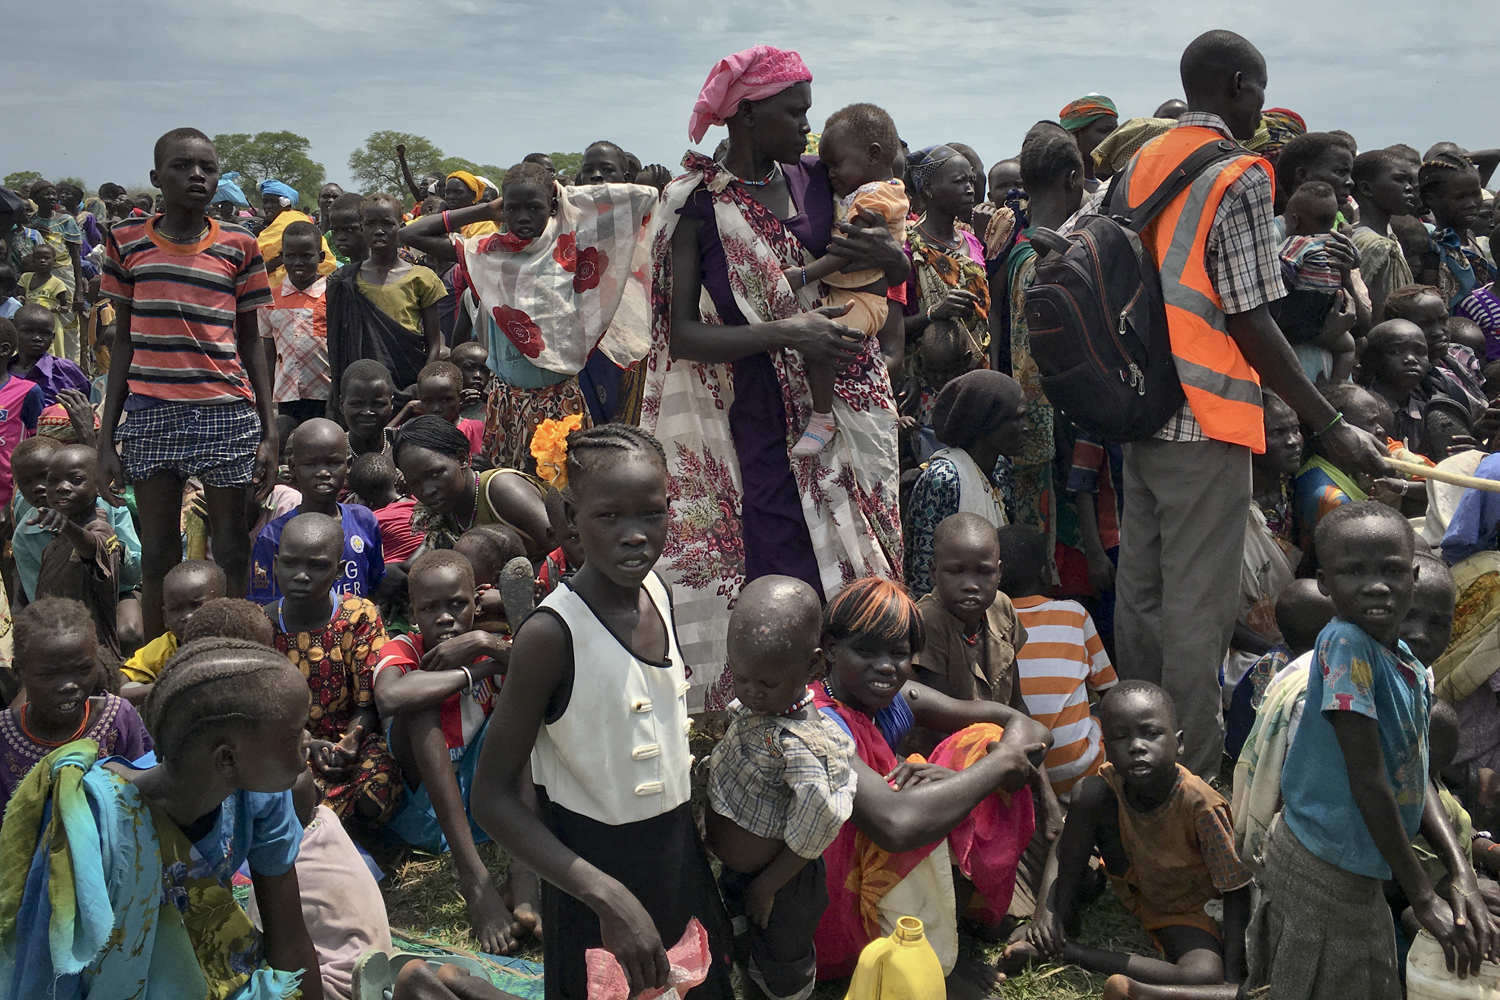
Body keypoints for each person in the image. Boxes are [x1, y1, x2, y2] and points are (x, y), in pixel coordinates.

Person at [1110, 30, 1386, 777]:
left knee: (1141, 601)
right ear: (1237, 85)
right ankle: (1189, 783)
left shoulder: (1138, 161)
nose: (1261, 106)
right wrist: (1328, 423)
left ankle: (1132, 774)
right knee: (1197, 615)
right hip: (1204, 414)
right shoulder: (1239, 173)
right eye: (1259, 90)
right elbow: (1250, 315)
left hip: (1136, 411)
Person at [647, 45, 908, 711]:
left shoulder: (818, 179)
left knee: (861, 569)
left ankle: (860, 720)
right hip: (756, 416)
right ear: (745, 114)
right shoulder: (695, 206)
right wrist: (788, 333)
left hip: (848, 399)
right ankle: (780, 713)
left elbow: (886, 270)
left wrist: (892, 261)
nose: (806, 128)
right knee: (778, 561)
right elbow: (679, 333)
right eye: (794, 113)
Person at [468, 424, 733, 998]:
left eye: (652, 515)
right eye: (609, 517)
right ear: (568, 517)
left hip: (674, 858)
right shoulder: (552, 635)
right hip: (594, 880)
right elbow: (489, 797)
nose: (635, 536)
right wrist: (605, 896)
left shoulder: (656, 592)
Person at [1245, 502, 1498, 997]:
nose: (1376, 584)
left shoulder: (1404, 659)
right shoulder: (1345, 646)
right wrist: (1424, 896)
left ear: (1415, 573)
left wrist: (1461, 868)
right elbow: (1368, 778)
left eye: (1391, 570)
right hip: (1324, 864)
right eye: (1353, 571)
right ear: (1324, 583)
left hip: (1362, 861)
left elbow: (1414, 769)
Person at [0, 636, 325, 999]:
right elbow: (52, 975)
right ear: (227, 759)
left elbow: (290, 942)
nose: (304, 753)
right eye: (294, 736)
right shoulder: (93, 824)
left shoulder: (262, 798)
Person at [808, 577, 1051, 991]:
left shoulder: (900, 697)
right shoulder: (818, 719)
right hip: (828, 890)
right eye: (865, 651)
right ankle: (922, 951)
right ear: (831, 648)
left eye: (899, 654)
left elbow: (1025, 725)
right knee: (924, 796)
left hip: (883, 844)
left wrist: (966, 774)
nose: (886, 666)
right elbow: (895, 826)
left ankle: (952, 919)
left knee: (977, 743)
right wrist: (996, 769)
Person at [97, 128, 280, 639]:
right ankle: (160, 659)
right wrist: (106, 438)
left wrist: (270, 431)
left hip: (225, 409)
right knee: (157, 553)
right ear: (157, 177)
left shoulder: (240, 245)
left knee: (231, 548)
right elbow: (124, 346)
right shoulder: (126, 241)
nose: (197, 175)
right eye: (182, 166)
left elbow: (253, 345)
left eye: (208, 168)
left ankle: (231, 646)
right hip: (151, 409)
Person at [401, 161, 656, 467]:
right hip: (507, 403)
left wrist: (567, 197)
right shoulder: (486, 254)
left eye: (534, 207)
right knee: (509, 495)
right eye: (513, 208)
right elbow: (410, 233)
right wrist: (484, 210)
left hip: (558, 400)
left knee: (561, 491)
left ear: (551, 206)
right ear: (502, 208)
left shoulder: (570, 250)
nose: (523, 217)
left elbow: (644, 197)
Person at [1010, 681, 1252, 993]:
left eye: (1151, 733)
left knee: (1203, 974)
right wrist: (1046, 912)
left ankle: (1075, 954)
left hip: (1183, 906)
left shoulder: (1202, 806)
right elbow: (1065, 841)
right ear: (1107, 748)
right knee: (1088, 792)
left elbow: (1235, 889)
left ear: (1178, 743)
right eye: (1121, 737)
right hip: (1133, 881)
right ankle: (1062, 924)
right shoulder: (1109, 780)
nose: (1136, 746)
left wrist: (1234, 974)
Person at [373, 547, 536, 955]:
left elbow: (544, 665)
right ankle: (473, 877)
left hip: (489, 801)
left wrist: (485, 643)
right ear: (413, 613)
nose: (445, 617)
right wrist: (474, 670)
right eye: (430, 608)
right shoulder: (405, 647)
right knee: (420, 702)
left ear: (476, 603)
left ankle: (524, 870)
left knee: (525, 699)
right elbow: (390, 695)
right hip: (428, 809)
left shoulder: (489, 637)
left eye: (457, 605)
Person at [705, 575, 857, 1000]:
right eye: (741, 679)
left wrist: (768, 885)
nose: (751, 693)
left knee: (782, 970)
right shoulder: (762, 711)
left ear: (813, 666)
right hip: (744, 873)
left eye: (765, 684)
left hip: (784, 885)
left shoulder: (808, 748)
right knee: (749, 951)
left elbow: (818, 826)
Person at [781, 104, 908, 457]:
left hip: (863, 300)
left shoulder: (876, 198)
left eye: (836, 164)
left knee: (822, 342)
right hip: (852, 293)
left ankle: (822, 419)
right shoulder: (866, 190)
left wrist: (803, 275)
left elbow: (849, 251)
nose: (831, 173)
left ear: (873, 155)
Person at [268, 512, 401, 824]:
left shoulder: (358, 616)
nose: (301, 575)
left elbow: (367, 701)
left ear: (339, 571)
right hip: (288, 745)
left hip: (353, 738)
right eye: (290, 563)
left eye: (317, 565)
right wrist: (308, 744)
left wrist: (349, 742)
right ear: (275, 564)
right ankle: (322, 820)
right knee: (291, 788)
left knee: (376, 787)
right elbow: (261, 712)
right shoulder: (262, 626)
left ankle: (329, 821)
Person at [1003, 125, 1086, 563]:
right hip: (1063, 424)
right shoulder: (1049, 255)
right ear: (1072, 179)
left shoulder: (1018, 250)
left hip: (1036, 422)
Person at [0, 597, 152, 815]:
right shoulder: (5, 736)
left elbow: (144, 797)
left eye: (82, 670)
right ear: (17, 671)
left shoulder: (119, 718)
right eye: (49, 674)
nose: (69, 685)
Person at [247, 774, 393, 1000]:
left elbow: (259, 944)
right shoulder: (328, 819)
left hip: (339, 989)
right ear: (319, 793)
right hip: (381, 972)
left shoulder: (280, 870)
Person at [1000, 524, 1119, 794]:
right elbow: (1109, 689)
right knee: (1100, 707)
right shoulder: (1074, 614)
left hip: (1014, 776)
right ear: (1045, 574)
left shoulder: (987, 623)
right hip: (1080, 772)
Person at [908, 514, 1029, 752]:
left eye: (984, 572)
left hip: (998, 745)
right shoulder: (929, 621)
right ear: (934, 572)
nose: (970, 585)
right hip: (945, 754)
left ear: (999, 572)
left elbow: (1016, 701)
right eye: (955, 571)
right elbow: (941, 724)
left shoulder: (1001, 607)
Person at [904, 369, 1027, 596]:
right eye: (1016, 418)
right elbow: (923, 574)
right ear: (986, 422)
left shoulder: (1000, 469)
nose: (1026, 427)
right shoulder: (943, 479)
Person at [326, 192, 445, 414]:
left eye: (387, 223)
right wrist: (337, 391)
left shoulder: (422, 277)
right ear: (362, 228)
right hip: (360, 392)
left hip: (408, 384)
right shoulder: (343, 281)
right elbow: (335, 343)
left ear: (401, 225)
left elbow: (434, 342)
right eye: (370, 223)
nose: (379, 230)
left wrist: (421, 386)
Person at [248, 418, 383, 604]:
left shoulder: (364, 521)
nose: (323, 473)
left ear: (348, 464)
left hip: (356, 628)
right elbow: (264, 603)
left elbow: (374, 587)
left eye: (333, 463)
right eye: (311, 464)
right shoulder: (274, 535)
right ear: (293, 467)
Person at [1223, 392, 1303, 697]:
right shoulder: (1229, 510)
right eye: (1278, 433)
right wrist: (1281, 652)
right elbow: (1218, 615)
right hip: (1239, 650)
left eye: (1295, 430)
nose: (1294, 441)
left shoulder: (1290, 486)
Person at [394, 415, 550, 558]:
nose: (428, 491)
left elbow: (564, 548)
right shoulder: (444, 512)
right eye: (415, 483)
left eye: (435, 474)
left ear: (462, 459)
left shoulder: (502, 489)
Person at [32, 443, 123, 662]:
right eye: (53, 480)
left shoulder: (100, 530)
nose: (62, 487)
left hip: (93, 657)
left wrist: (67, 526)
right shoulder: (54, 542)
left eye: (76, 480)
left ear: (99, 485)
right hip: (58, 651)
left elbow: (91, 547)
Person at [903, 144, 990, 363]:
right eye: (959, 181)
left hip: (977, 369)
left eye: (970, 180)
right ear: (929, 189)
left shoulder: (972, 242)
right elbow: (889, 327)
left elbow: (989, 319)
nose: (970, 189)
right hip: (925, 374)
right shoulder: (909, 247)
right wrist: (935, 312)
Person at [1278, 181, 1358, 383]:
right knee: (1348, 347)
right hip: (1330, 306)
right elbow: (1357, 259)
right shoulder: (1339, 243)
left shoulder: (1298, 242)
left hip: (1302, 308)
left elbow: (1284, 269)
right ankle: (1337, 388)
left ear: (1294, 220)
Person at [119, 558, 224, 705]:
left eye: (197, 606)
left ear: (223, 606)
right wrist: (172, 685)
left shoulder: (236, 641)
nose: (187, 616)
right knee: (132, 687)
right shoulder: (163, 648)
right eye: (176, 609)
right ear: (165, 618)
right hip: (176, 721)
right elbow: (118, 691)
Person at [260, 220, 332, 426]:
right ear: (282, 257)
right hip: (285, 394)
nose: (298, 262)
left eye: (306, 256)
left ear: (321, 257)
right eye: (290, 256)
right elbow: (267, 350)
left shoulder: (333, 295)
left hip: (325, 392)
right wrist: (266, 396)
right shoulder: (270, 300)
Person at [1417, 151, 1494, 310]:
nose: (1471, 203)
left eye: (1476, 194)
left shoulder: (1471, 238)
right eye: (1459, 197)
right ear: (1431, 199)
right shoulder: (1433, 251)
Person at [1350, 149, 1417, 321]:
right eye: (1399, 179)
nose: (1409, 187)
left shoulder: (1388, 238)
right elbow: (1377, 317)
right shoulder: (1373, 244)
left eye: (1409, 181)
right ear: (1366, 188)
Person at [23, 178, 86, 363]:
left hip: (64, 276)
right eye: (46, 194)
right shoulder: (31, 223)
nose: (52, 197)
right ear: (36, 199)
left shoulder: (66, 221)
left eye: (53, 194)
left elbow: (76, 257)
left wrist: (80, 291)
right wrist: (31, 229)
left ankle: (69, 365)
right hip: (38, 280)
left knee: (68, 322)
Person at [390, 361, 485, 456]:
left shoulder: (474, 429)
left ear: (461, 398)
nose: (436, 408)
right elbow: (386, 438)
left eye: (445, 400)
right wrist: (408, 408)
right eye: (428, 401)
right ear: (420, 401)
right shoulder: (414, 432)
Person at [8, 301, 90, 407]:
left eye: (44, 333)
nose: (37, 338)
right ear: (15, 333)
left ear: (52, 337)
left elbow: (87, 403)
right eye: (28, 332)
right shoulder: (5, 370)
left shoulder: (66, 371)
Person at [0, 316, 42, 509]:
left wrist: (15, 505)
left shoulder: (27, 392)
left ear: (4, 350)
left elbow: (38, 449)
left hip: (9, 500)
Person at [17, 243, 71, 359]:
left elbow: (65, 307)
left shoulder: (57, 284)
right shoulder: (25, 278)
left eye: (47, 258)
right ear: (33, 260)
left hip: (49, 324)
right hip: (29, 322)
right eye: (38, 258)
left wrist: (59, 309)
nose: (42, 261)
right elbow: (20, 296)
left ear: (54, 261)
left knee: (49, 355)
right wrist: (20, 299)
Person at [341, 358, 396, 460]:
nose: (367, 412)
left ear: (391, 404)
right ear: (342, 405)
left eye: (378, 404)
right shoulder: (331, 452)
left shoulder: (402, 449)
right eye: (357, 404)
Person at [451, 340, 491, 421]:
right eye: (469, 368)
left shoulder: (492, 411)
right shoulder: (441, 406)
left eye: (484, 370)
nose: (478, 375)